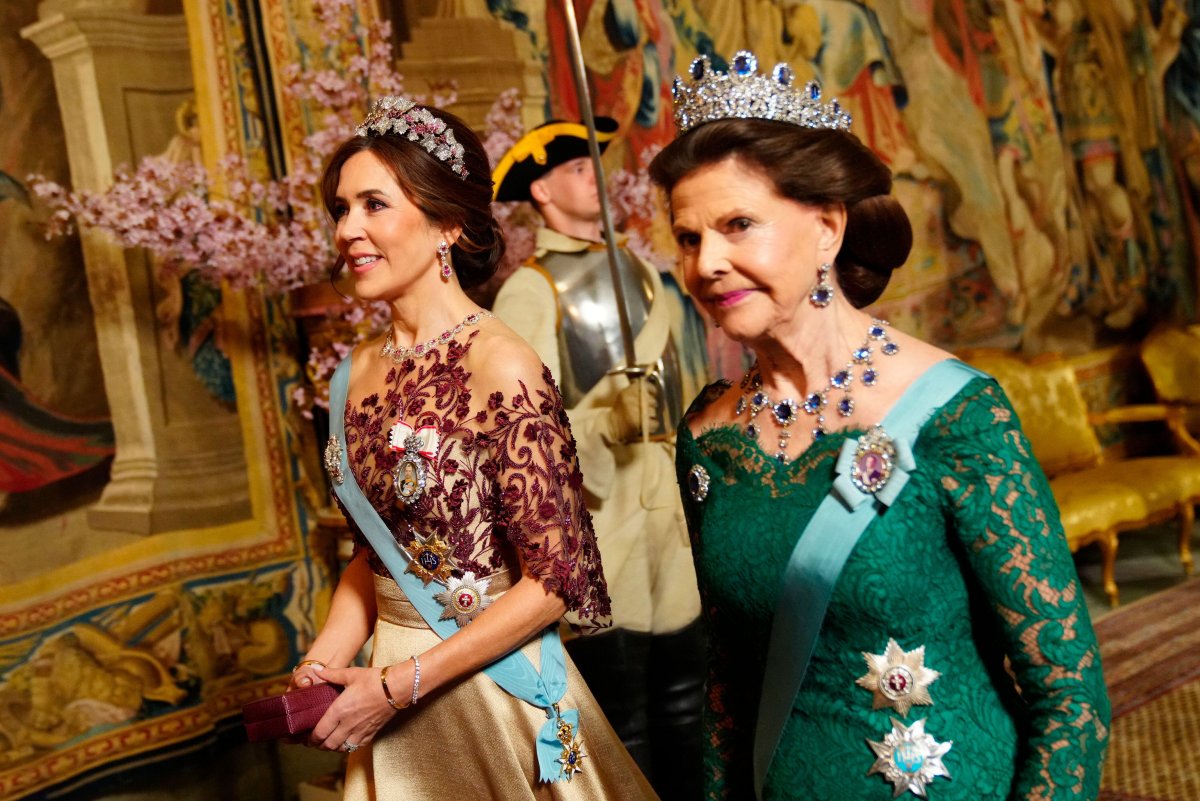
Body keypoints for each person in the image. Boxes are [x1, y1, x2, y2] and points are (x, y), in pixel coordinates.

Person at [648, 51, 1111, 800]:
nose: (708, 264)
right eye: (690, 238)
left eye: (739, 225)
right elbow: (727, 683)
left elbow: (1070, 698)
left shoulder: (955, 413)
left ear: (828, 227)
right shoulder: (709, 437)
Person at [291, 96, 658, 800]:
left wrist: (399, 687)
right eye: (341, 208)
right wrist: (321, 663)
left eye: (374, 205)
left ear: (448, 224)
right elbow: (376, 555)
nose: (348, 230)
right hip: (381, 689)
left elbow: (554, 582)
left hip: (495, 692)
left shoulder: (500, 363)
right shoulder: (351, 372)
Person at [490, 117, 707, 801]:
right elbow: (527, 434)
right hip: (603, 518)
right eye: (581, 169)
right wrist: (607, 416)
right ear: (544, 191)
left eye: (596, 165)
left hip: (665, 505)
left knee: (690, 700)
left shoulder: (638, 271)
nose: (599, 178)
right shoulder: (529, 291)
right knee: (625, 717)